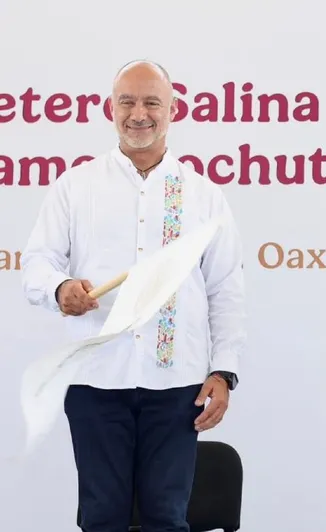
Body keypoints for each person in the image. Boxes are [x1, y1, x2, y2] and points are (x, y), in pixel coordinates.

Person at [20, 60, 245, 532]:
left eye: (151, 103)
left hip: (178, 386)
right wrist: (60, 288)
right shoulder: (76, 186)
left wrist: (223, 371)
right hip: (95, 382)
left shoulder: (203, 195)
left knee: (167, 517)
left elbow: (225, 288)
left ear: (172, 110)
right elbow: (37, 264)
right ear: (111, 108)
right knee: (102, 517)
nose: (138, 114)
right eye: (127, 102)